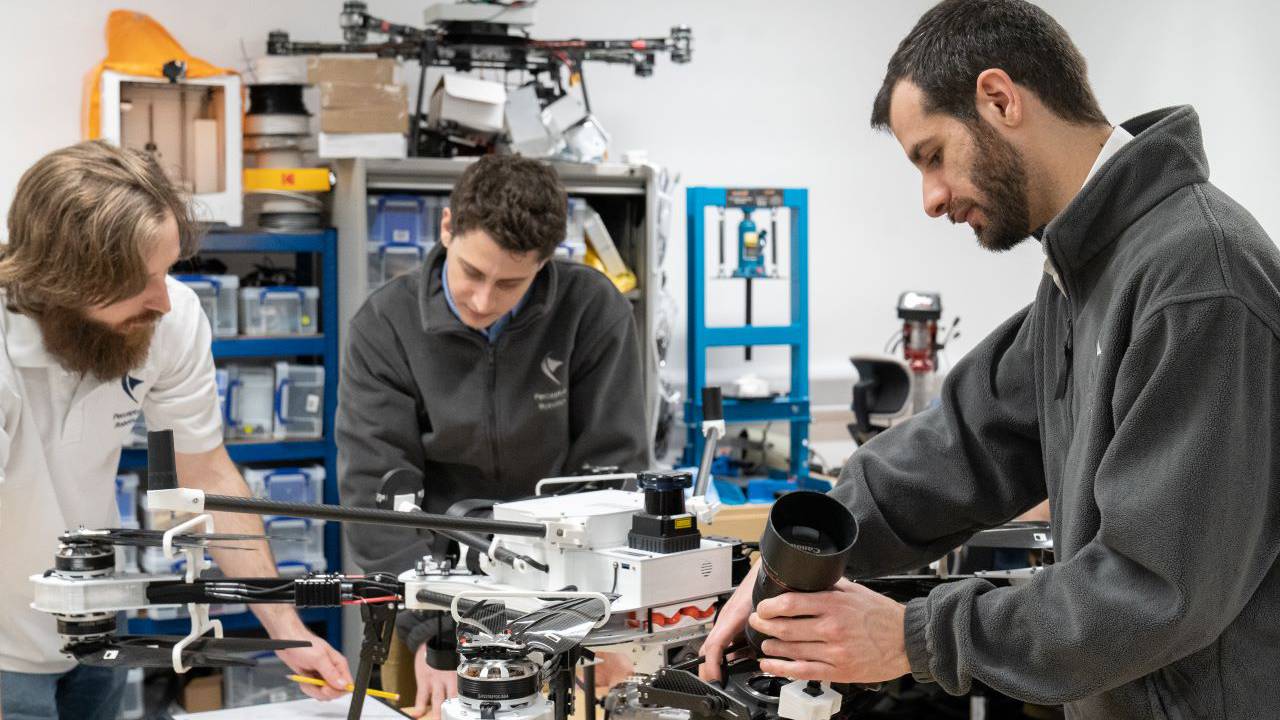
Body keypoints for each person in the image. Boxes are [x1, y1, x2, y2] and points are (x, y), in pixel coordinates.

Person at [700, 1, 1280, 717]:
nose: (931, 198)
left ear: (1000, 99)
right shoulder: (1086, 270)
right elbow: (967, 440)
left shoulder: (1196, 277)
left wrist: (917, 637)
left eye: (932, 156)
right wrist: (788, 560)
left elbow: (1154, 588)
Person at [0, 141, 352, 719]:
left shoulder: (169, 319)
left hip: (96, 632)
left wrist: (283, 625)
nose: (164, 299)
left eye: (166, 269)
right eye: (143, 281)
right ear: (63, 281)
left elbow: (205, 473)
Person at [337, 154, 649, 717]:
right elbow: (375, 499)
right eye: (472, 273)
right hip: (434, 598)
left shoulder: (592, 311)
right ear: (447, 227)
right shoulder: (384, 327)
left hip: (567, 591)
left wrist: (589, 619)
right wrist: (438, 633)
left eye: (510, 282)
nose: (483, 300)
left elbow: (612, 475)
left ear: (546, 261)